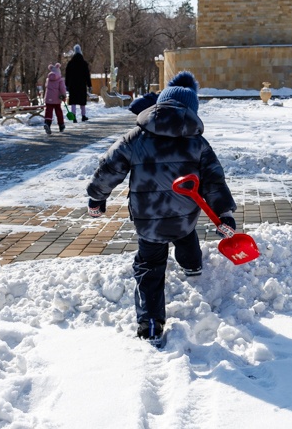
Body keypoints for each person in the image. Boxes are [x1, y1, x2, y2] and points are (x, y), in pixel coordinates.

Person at [85, 71, 237, 344]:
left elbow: (110, 168)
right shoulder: (198, 143)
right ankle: (192, 267)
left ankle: (151, 324)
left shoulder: (136, 137)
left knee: (149, 267)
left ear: (159, 106)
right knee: (185, 237)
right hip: (184, 216)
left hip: (149, 220)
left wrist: (97, 197)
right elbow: (214, 180)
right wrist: (223, 213)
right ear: (191, 111)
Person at [65, 44, 92, 123]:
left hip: (72, 85)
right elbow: (87, 75)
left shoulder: (70, 63)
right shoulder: (84, 63)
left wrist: (67, 84)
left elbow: (67, 75)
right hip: (81, 85)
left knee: (73, 101)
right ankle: (83, 116)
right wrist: (89, 85)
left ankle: (74, 117)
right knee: (82, 101)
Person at [43, 63, 67, 133]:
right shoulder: (60, 80)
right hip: (56, 98)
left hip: (48, 98)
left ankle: (47, 123)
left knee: (48, 111)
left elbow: (46, 86)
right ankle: (61, 125)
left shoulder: (48, 79)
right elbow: (62, 89)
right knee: (58, 111)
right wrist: (64, 96)